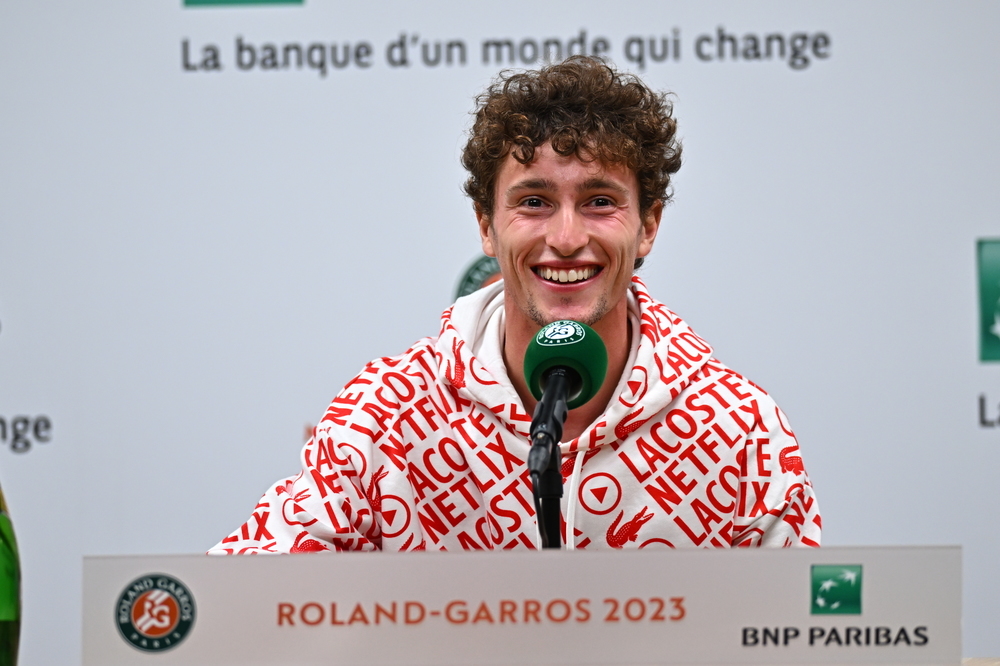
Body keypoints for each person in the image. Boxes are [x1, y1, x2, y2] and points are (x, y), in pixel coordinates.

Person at [210, 56, 820, 554]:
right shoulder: (385, 417)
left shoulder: (740, 429)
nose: (565, 237)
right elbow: (241, 600)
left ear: (648, 227)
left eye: (600, 201)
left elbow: (803, 635)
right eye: (533, 202)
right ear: (486, 226)